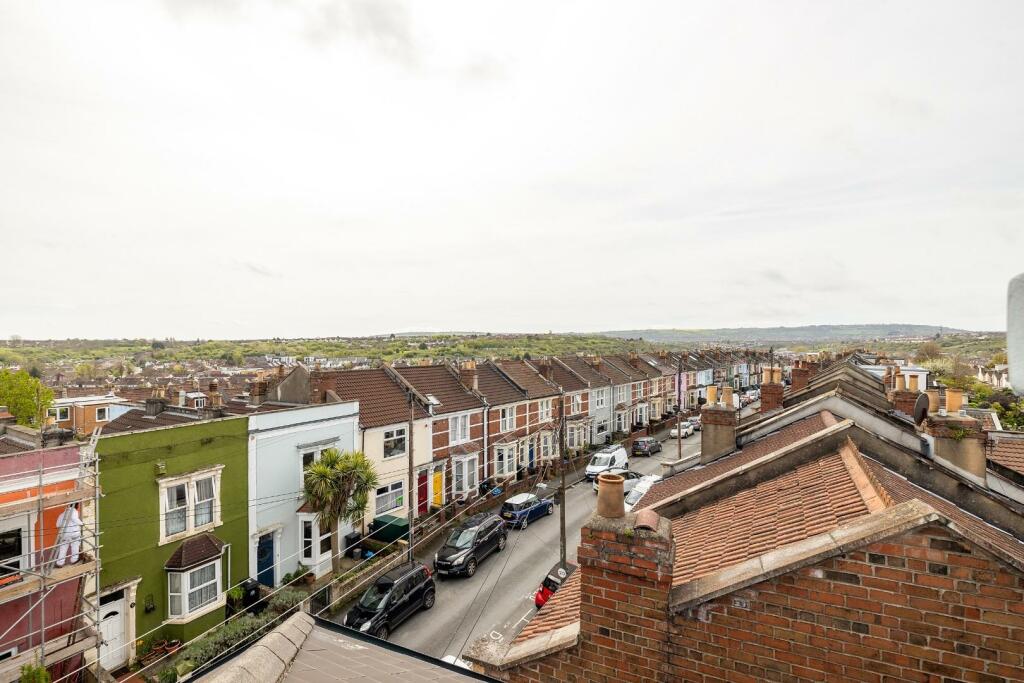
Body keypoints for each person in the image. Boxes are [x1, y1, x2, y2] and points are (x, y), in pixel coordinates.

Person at [55, 503, 82, 567]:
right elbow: (74, 518)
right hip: (74, 533)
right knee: (75, 546)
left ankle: (60, 563)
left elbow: (57, 525)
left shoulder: (62, 515)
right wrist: (81, 523)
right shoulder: (74, 511)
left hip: (64, 535)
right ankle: (74, 560)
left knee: (63, 548)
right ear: (76, 506)